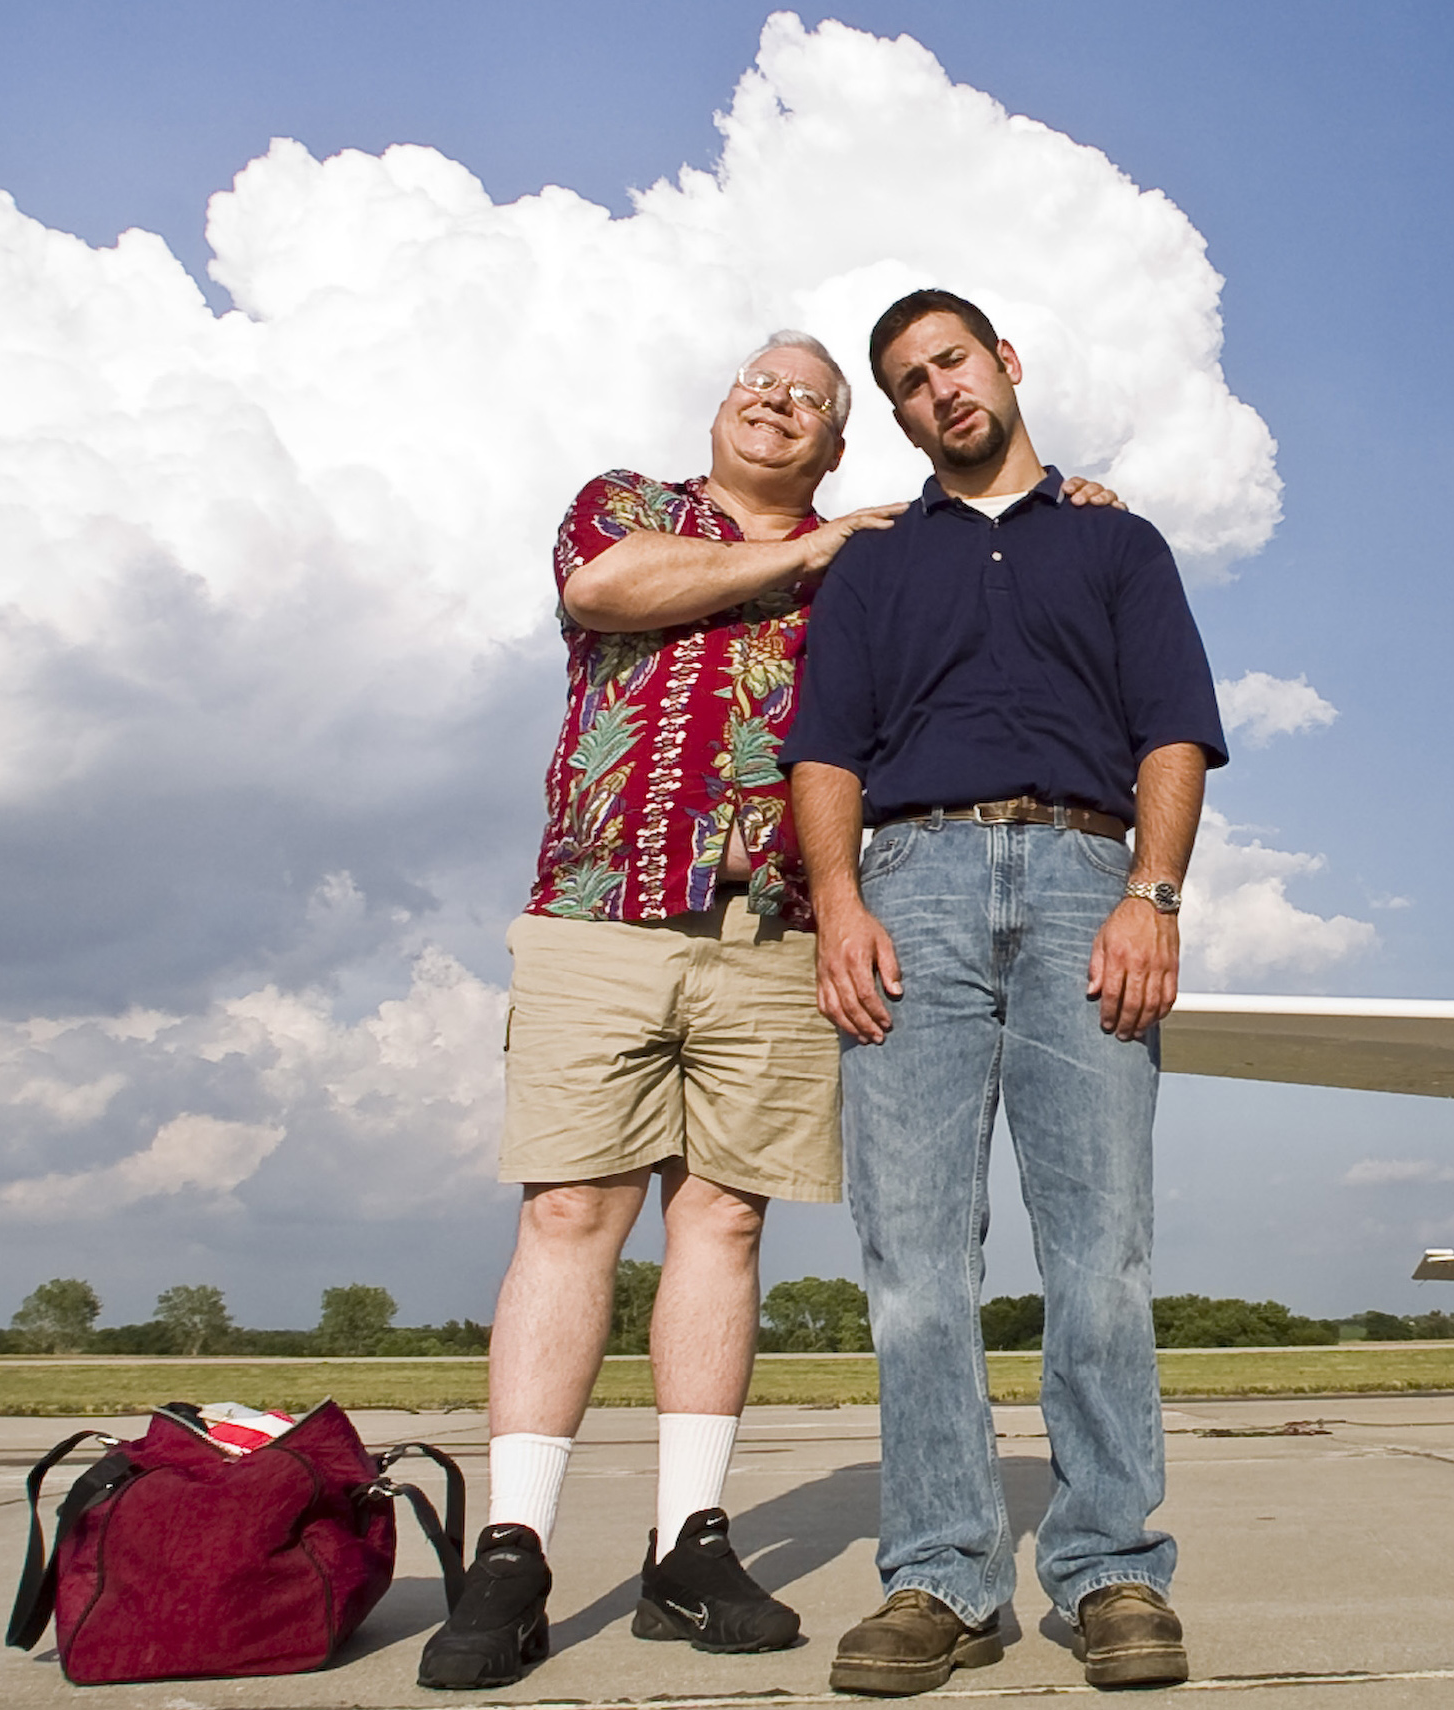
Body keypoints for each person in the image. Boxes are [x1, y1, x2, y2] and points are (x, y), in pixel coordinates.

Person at [419, 333, 1128, 1693]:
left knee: (724, 1219)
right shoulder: (630, 505)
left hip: (774, 931)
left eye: (808, 397)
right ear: (721, 404)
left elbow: (984, 578)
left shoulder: (875, 551)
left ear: (835, 445)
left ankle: (689, 1540)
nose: (776, 399)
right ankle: (512, 1549)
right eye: (760, 379)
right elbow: (610, 591)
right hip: (600, 911)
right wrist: (803, 559)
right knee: (570, 1211)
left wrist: (1068, 509)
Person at [785, 288, 1227, 1696]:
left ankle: (1107, 1568)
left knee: (1100, 1251)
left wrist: (1150, 898)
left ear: (1005, 362)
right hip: (910, 882)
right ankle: (940, 1573)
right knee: (915, 1257)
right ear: (899, 414)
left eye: (953, 361)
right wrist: (839, 903)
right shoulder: (870, 567)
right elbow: (825, 750)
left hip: (1090, 881)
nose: (939, 392)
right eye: (908, 383)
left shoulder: (1114, 538)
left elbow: (1172, 729)